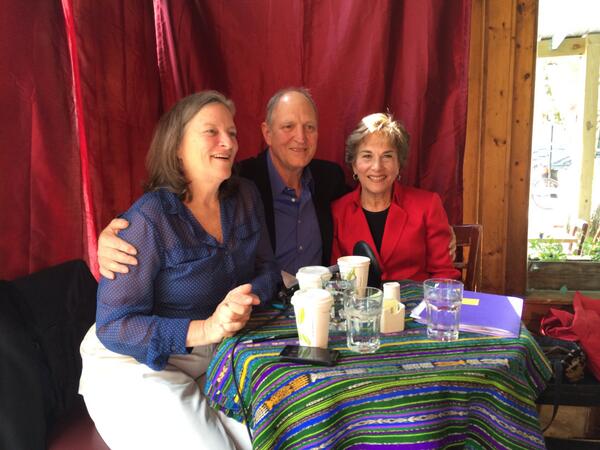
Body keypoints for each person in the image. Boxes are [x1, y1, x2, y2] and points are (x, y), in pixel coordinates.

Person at [79, 91, 279, 450]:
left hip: (211, 354)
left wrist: (246, 298)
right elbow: (115, 326)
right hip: (133, 362)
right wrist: (208, 327)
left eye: (232, 133)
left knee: (268, 438)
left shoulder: (246, 196)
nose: (228, 142)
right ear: (177, 148)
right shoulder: (148, 219)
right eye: (211, 131)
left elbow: (268, 268)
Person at [97, 88, 348, 277]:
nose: (301, 137)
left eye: (310, 127)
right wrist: (113, 236)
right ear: (267, 133)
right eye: (288, 126)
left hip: (317, 307)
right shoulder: (239, 179)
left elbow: (361, 205)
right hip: (261, 309)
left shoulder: (329, 177)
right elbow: (169, 208)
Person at [331, 112, 460, 282]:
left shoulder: (428, 206)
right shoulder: (337, 212)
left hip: (416, 298)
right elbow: (336, 279)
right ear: (354, 165)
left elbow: (444, 275)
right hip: (358, 300)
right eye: (367, 156)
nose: (377, 167)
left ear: (399, 164)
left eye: (387, 156)